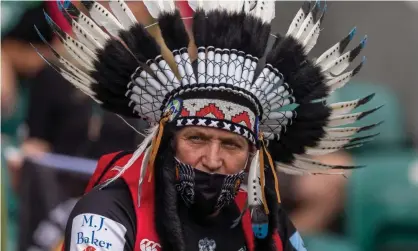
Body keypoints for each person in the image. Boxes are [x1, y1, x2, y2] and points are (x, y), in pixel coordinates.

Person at [33, 1, 381, 250]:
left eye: (231, 145)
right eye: (196, 138)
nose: (212, 159)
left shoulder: (266, 227)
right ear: (165, 141)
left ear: (252, 155)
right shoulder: (106, 215)